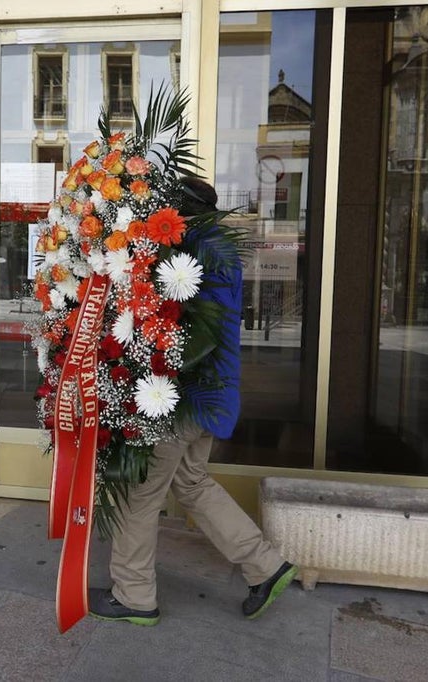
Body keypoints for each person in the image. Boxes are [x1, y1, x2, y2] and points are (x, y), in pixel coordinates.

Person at [88, 176, 297, 626]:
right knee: (192, 483)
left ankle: (135, 596)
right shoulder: (220, 250)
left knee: (138, 494)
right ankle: (266, 565)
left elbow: (166, 323)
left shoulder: (187, 254)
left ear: (177, 213)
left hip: (181, 398)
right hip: (215, 397)